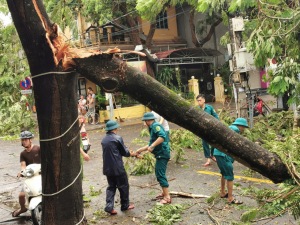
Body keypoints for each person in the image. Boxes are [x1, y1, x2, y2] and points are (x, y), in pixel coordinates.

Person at [136, 112, 171, 204]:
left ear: (148, 120)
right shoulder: (152, 128)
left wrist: (152, 146)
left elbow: (162, 137)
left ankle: (167, 197)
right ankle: (164, 192)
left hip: (162, 154)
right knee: (159, 173)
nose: (144, 124)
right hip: (160, 153)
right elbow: (151, 143)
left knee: (160, 174)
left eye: (144, 122)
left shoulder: (156, 126)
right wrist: (141, 150)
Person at [101, 121, 135, 214]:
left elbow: (112, 150)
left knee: (111, 187)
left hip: (107, 168)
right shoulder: (118, 138)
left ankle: (109, 207)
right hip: (118, 167)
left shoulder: (104, 140)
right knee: (123, 186)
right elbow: (126, 153)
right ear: (115, 128)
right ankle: (125, 205)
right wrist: (128, 150)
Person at [213, 118, 249, 204]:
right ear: (240, 125)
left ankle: (223, 192)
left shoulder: (228, 127)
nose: (243, 129)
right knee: (229, 176)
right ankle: (230, 198)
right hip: (223, 155)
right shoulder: (235, 129)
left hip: (218, 152)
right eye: (243, 127)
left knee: (223, 173)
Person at [12, 131, 41, 217]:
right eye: (22, 140)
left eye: (25, 140)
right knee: (21, 195)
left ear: (31, 139)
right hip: (30, 177)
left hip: (40, 175)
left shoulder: (38, 148)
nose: (23, 142)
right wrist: (21, 173)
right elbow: (23, 166)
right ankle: (22, 208)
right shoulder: (23, 154)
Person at [196, 94, 219, 166]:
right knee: (205, 144)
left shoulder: (210, 108)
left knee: (213, 143)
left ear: (204, 100)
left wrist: (218, 125)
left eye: (200, 100)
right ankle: (208, 159)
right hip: (203, 130)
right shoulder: (197, 109)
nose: (199, 102)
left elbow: (216, 117)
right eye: (198, 101)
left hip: (211, 129)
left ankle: (212, 155)